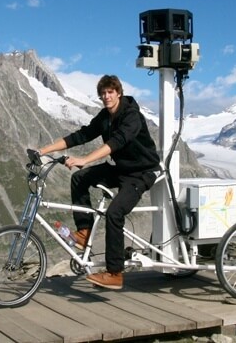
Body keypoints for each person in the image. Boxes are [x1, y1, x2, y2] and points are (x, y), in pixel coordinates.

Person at [38, 74, 161, 290]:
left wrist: (85, 159)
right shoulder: (105, 117)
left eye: (110, 92)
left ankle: (114, 273)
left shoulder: (132, 116)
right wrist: (43, 150)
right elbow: (82, 135)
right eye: (103, 93)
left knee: (115, 213)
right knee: (79, 178)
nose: (106, 97)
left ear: (119, 93)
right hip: (121, 169)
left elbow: (117, 142)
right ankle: (84, 232)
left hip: (141, 173)